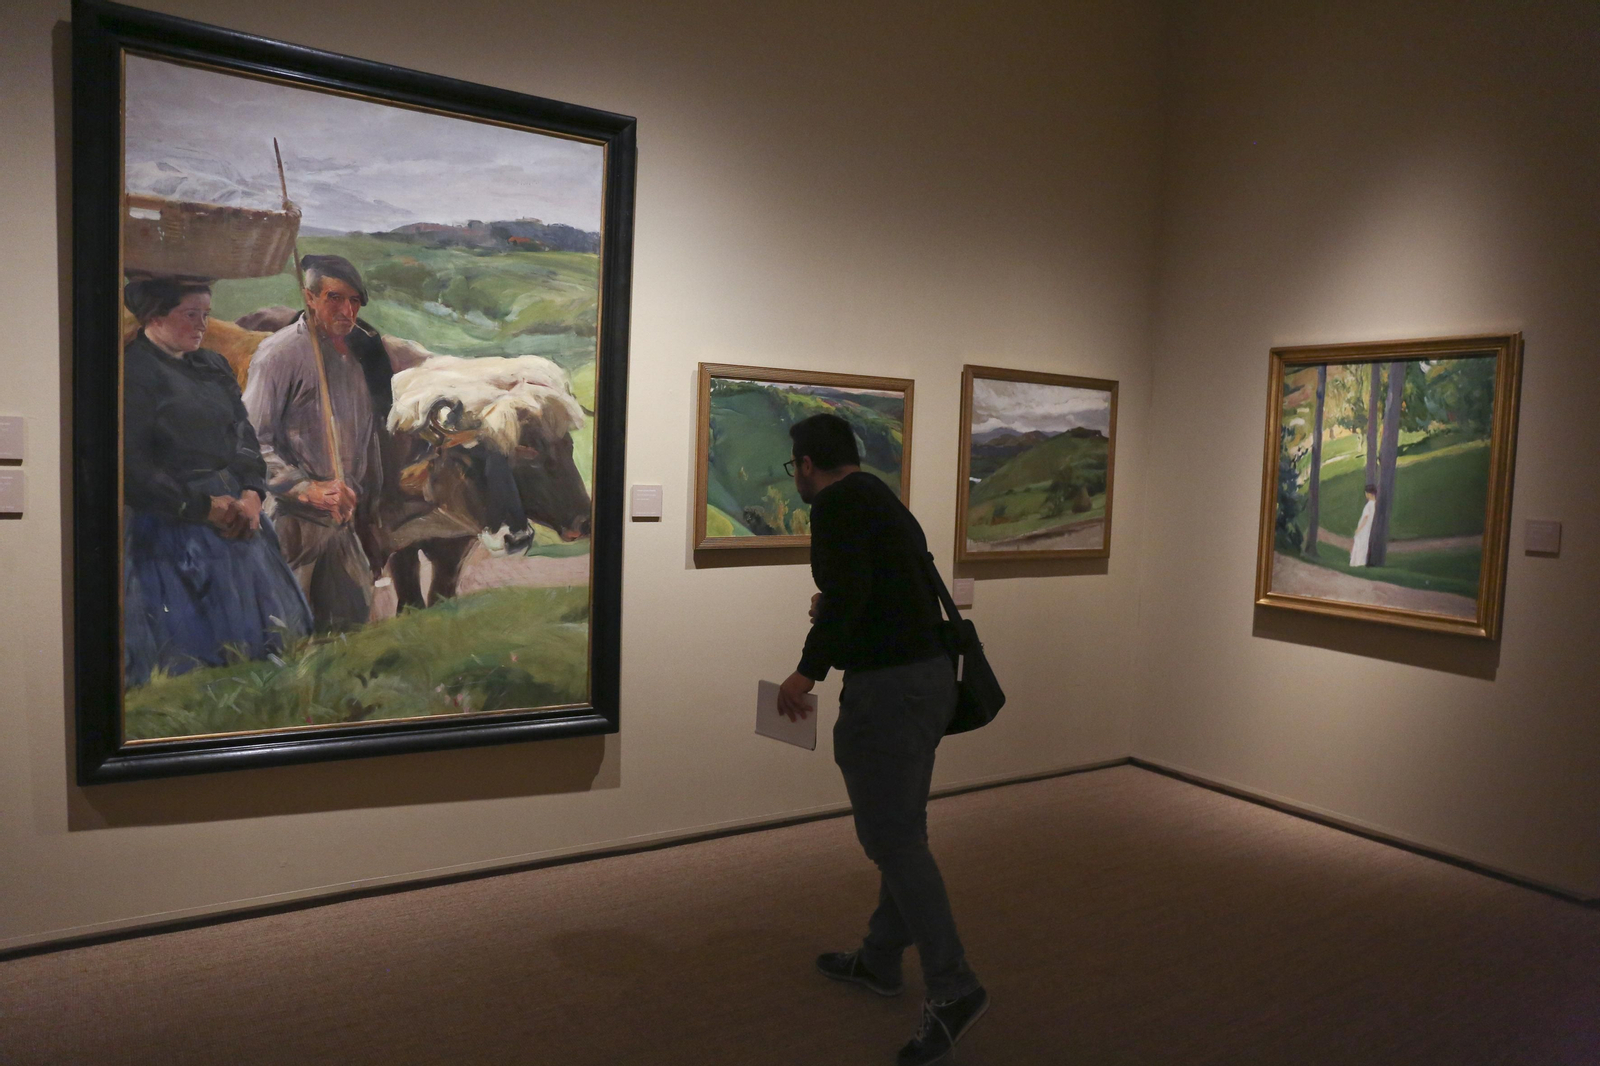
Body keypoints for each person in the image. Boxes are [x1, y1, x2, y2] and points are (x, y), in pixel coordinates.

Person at [776, 413, 988, 1066]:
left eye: (795, 469)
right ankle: (878, 959)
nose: (798, 480)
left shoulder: (836, 506)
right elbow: (880, 589)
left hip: (889, 691)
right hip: (928, 680)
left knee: (894, 840)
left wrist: (805, 673)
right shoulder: (881, 498)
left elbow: (849, 595)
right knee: (902, 826)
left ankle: (953, 986)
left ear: (809, 464)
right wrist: (838, 605)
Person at [121, 276, 312, 686]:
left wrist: (251, 493)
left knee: (268, 635)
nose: (202, 326)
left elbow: (244, 437)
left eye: (206, 315)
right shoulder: (131, 373)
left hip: (239, 516)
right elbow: (133, 469)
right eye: (191, 315)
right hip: (171, 524)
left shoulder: (212, 366)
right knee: (190, 653)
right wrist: (204, 508)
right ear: (154, 316)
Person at [243, 255, 388, 631]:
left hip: (342, 522)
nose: (347, 310)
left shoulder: (352, 360)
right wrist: (305, 488)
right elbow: (250, 441)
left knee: (352, 625)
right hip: (291, 523)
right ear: (310, 297)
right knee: (288, 631)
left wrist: (364, 505)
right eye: (335, 298)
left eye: (354, 301)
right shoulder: (278, 355)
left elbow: (365, 443)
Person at [1349, 483, 1377, 566]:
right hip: (1368, 527)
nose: (1366, 495)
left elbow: (1365, 518)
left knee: (1360, 544)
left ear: (1369, 493)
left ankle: (1357, 563)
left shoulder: (1369, 505)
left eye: (1366, 493)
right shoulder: (1375, 504)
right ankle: (1359, 562)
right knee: (1363, 544)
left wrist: (1359, 528)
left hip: (1364, 528)